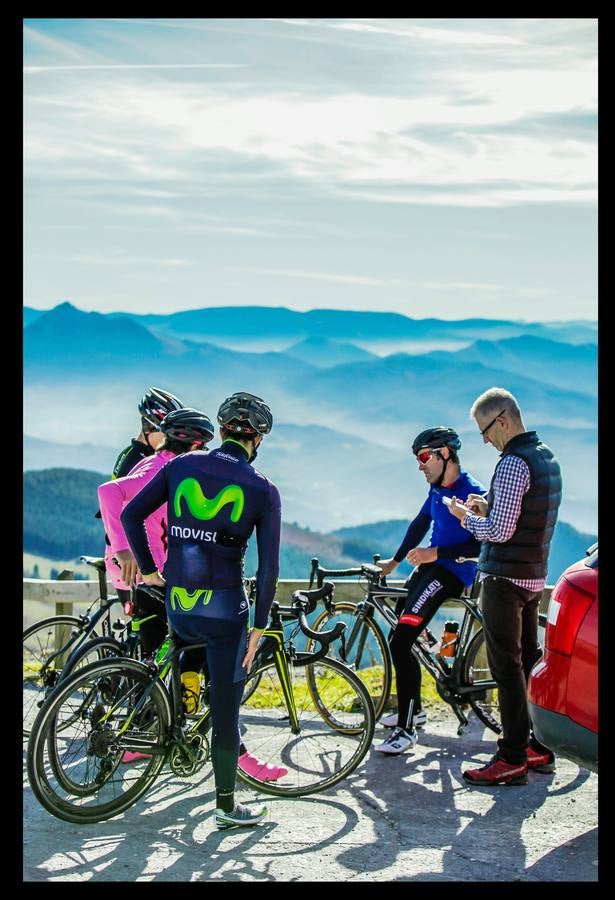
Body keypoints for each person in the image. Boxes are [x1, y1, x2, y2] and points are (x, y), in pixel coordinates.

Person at [121, 392, 282, 830]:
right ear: (258, 441)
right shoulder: (263, 489)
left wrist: (152, 571)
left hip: (178, 603)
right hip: (226, 610)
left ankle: (172, 740)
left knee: (181, 671)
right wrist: (260, 626)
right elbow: (269, 568)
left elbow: (131, 515)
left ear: (222, 428)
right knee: (225, 708)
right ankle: (226, 807)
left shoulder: (179, 466)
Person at [446, 387, 561, 786]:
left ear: (504, 420)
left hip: (504, 580)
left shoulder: (512, 464)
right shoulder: (547, 458)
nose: (484, 440)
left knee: (506, 668)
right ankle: (538, 746)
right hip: (533, 576)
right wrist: (487, 504)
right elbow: (524, 516)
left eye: (484, 430)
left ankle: (511, 755)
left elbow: (498, 530)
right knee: (529, 661)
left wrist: (465, 516)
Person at [98, 407, 216, 762]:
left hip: (157, 575)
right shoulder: (158, 467)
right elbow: (108, 492)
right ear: (193, 443)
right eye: (203, 447)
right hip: (151, 576)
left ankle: (143, 734)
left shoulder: (164, 464)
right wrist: (124, 549)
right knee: (196, 639)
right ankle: (144, 734)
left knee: (156, 655)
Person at [374, 426, 484, 755]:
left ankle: (407, 731)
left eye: (424, 457)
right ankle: (415, 709)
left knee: (402, 639)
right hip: (430, 568)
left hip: (451, 572)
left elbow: (481, 544)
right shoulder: (437, 489)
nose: (420, 465)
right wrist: (394, 561)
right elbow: (420, 523)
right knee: (400, 625)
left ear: (445, 454)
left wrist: (434, 554)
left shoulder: (472, 492)